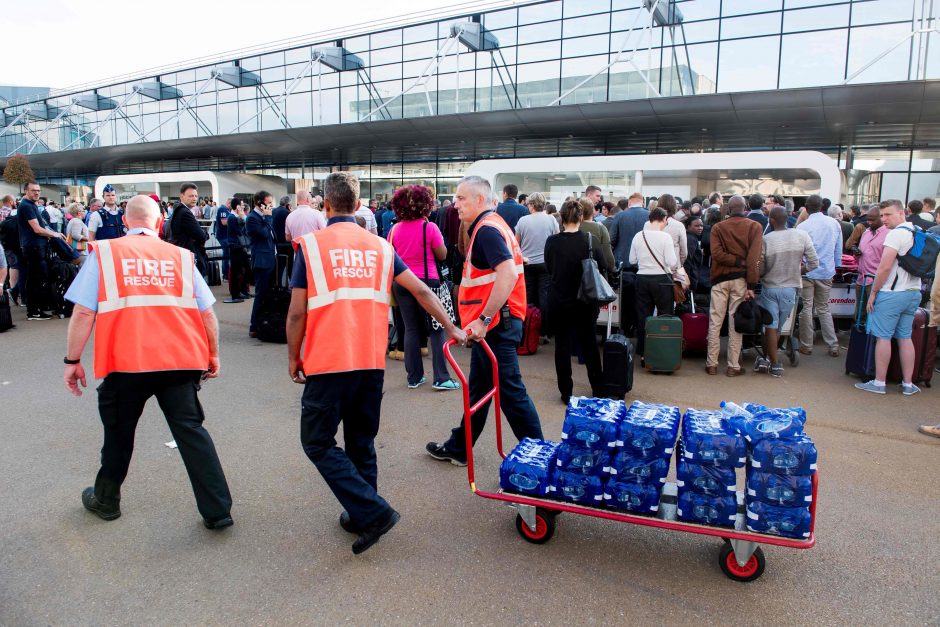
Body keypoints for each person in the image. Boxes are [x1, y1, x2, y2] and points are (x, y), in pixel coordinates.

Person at [286, 172, 463, 554]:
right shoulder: (380, 247)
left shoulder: (311, 247)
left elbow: (297, 313)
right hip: (371, 360)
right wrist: (451, 327)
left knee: (316, 442)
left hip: (328, 360)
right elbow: (420, 289)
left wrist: (293, 356)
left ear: (326, 205)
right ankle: (362, 513)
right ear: (358, 203)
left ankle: (373, 511)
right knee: (360, 440)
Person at [62, 195, 233, 530]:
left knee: (119, 434)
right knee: (191, 432)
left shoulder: (106, 254)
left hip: (126, 364)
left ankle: (106, 500)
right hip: (178, 362)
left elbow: (83, 312)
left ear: (125, 222)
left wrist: (72, 360)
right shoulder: (181, 258)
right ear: (158, 224)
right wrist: (212, 354)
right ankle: (217, 510)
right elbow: (206, 313)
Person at [426, 175, 543, 467]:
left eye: (461, 198)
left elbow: (507, 273)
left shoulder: (487, 230)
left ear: (480, 200)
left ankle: (542, 456)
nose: (454, 204)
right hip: (496, 326)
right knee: (479, 390)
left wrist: (483, 319)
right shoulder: (493, 226)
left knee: (511, 395)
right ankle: (459, 447)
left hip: (496, 327)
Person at [385, 185, 459, 391]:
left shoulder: (394, 230)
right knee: (436, 329)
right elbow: (442, 254)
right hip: (428, 282)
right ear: (426, 205)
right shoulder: (429, 228)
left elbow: (391, 256)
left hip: (402, 283)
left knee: (411, 329)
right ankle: (441, 377)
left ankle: (414, 377)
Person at [855, 200, 924, 395]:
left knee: (883, 337)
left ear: (901, 213)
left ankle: (879, 382)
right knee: (904, 337)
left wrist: (874, 292)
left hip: (892, 293)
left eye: (888, 215)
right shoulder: (916, 231)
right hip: (913, 292)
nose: (884, 219)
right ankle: (908, 384)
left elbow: (884, 267)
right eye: (882, 215)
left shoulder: (895, 234)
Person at [544, 199, 606, 402]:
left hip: (559, 300)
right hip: (585, 301)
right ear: (581, 217)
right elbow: (603, 268)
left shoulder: (552, 242)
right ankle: (598, 388)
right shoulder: (590, 240)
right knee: (589, 345)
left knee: (562, 346)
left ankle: (566, 392)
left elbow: (549, 268)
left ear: (561, 217)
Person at [755, 207, 819, 377]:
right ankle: (771, 359)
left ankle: (774, 363)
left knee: (771, 325)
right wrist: (798, 271)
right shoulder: (801, 235)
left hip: (770, 288)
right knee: (778, 327)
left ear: (772, 221)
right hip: (791, 289)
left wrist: (759, 275)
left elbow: (760, 268)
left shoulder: (766, 239)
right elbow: (814, 262)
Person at [705, 195, 762, 377]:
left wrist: (735, 260)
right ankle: (733, 366)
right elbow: (754, 260)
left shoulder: (717, 227)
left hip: (719, 278)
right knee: (736, 322)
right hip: (741, 280)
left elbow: (716, 254)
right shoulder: (754, 227)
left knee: (715, 321)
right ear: (745, 207)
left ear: (729, 209)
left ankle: (711, 364)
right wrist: (751, 283)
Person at [797, 194, 843, 357]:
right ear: (822, 206)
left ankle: (806, 344)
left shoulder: (802, 227)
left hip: (807, 272)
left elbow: (799, 252)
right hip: (826, 272)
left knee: (807, 308)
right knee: (823, 308)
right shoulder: (834, 224)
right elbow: (838, 250)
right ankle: (833, 345)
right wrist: (836, 267)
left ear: (806, 208)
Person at [630, 208, 677, 361]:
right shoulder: (665, 237)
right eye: (666, 221)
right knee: (665, 315)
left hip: (642, 278)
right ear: (663, 218)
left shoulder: (638, 236)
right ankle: (663, 351)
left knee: (643, 316)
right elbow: (671, 262)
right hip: (662, 280)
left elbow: (632, 260)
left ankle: (644, 352)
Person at [18, 181, 67, 320]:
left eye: (38, 190)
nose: (37, 193)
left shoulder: (31, 205)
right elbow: (37, 229)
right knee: (36, 279)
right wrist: (55, 234)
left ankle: (36, 309)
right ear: (26, 191)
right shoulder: (27, 206)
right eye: (33, 190)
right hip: (33, 247)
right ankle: (34, 311)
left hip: (36, 247)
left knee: (37, 279)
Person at [607, 191, 649, 336]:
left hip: (624, 265)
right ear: (642, 202)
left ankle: (624, 328)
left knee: (624, 300)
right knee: (642, 301)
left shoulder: (620, 216)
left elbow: (611, 240)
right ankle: (639, 329)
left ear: (630, 203)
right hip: (643, 265)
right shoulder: (649, 216)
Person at [515, 192, 559, 321]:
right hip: (545, 263)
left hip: (527, 263)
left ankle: (527, 325)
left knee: (528, 295)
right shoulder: (551, 219)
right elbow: (557, 239)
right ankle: (544, 329)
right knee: (544, 295)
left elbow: (516, 244)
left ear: (532, 205)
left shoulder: (523, 220)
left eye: (528, 204)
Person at [246, 190, 277, 338]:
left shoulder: (263, 217)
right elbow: (264, 234)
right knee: (260, 294)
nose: (271, 206)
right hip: (261, 261)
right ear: (260, 203)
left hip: (270, 258)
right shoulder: (252, 218)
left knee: (268, 293)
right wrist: (268, 217)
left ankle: (264, 323)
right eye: (269, 202)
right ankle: (254, 326)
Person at [852, 205, 888, 323]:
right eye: (868, 219)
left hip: (875, 280)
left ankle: (871, 338)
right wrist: (856, 253)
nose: (869, 222)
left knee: (873, 313)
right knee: (860, 314)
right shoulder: (866, 232)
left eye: (872, 219)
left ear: (881, 218)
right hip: (861, 278)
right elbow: (863, 253)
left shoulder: (888, 233)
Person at [169, 183, 210, 277]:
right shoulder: (185, 212)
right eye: (191, 196)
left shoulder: (180, 210)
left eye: (196, 196)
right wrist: (204, 234)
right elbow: (201, 235)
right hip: (189, 255)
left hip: (183, 254)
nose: (194, 198)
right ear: (182, 196)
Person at [643, 193, 687, 268]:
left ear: (659, 205)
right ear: (674, 207)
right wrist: (678, 264)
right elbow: (684, 252)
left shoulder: (648, 224)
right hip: (672, 268)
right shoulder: (679, 225)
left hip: (652, 265)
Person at [578, 198, 616, 279]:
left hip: (575, 274)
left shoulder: (573, 227)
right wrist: (612, 268)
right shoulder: (600, 228)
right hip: (596, 275)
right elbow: (607, 255)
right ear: (592, 211)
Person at [225, 198, 251, 302]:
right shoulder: (232, 217)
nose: (243, 207)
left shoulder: (237, 217)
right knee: (237, 271)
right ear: (237, 206)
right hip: (236, 246)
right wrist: (242, 218)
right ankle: (236, 294)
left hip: (241, 246)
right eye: (241, 205)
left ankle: (243, 291)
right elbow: (239, 231)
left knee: (246, 269)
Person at [684, 217, 709, 295]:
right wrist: (687, 278)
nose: (700, 228)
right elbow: (687, 259)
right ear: (688, 226)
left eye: (701, 226)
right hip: (690, 275)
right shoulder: (690, 239)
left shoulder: (692, 238)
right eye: (696, 226)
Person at [213, 198, 232, 279]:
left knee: (227, 254)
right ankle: (225, 273)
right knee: (226, 254)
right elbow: (224, 222)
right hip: (223, 236)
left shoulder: (226, 210)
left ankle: (226, 273)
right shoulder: (223, 209)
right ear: (229, 203)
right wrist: (233, 220)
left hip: (225, 235)